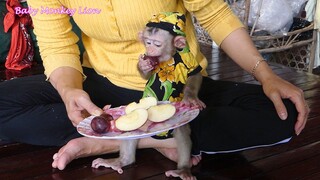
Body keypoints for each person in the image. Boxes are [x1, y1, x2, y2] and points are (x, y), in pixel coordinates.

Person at [0, 0, 309, 171]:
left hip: (176, 89)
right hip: (101, 84)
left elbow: (214, 14)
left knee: (281, 114)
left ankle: (111, 140)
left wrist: (265, 74)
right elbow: (56, 42)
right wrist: (69, 91)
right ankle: (162, 139)